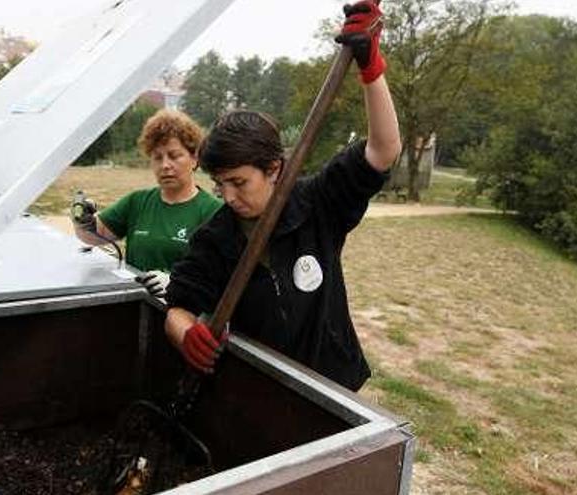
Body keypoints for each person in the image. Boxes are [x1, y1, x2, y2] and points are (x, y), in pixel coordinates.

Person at [163, 0, 401, 392]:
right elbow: (178, 306)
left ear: (274, 169)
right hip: (261, 389)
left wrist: (371, 69)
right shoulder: (216, 237)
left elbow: (383, 150)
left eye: (239, 183)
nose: (228, 196)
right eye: (219, 184)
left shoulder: (317, 204)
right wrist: (187, 334)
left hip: (334, 384)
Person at [72, 109, 222, 297]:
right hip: (134, 307)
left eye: (174, 155)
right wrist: (82, 220)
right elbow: (94, 235)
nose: (165, 165)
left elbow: (219, 277)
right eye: (157, 157)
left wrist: (176, 283)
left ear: (194, 158)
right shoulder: (137, 201)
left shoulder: (214, 211)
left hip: (181, 315)